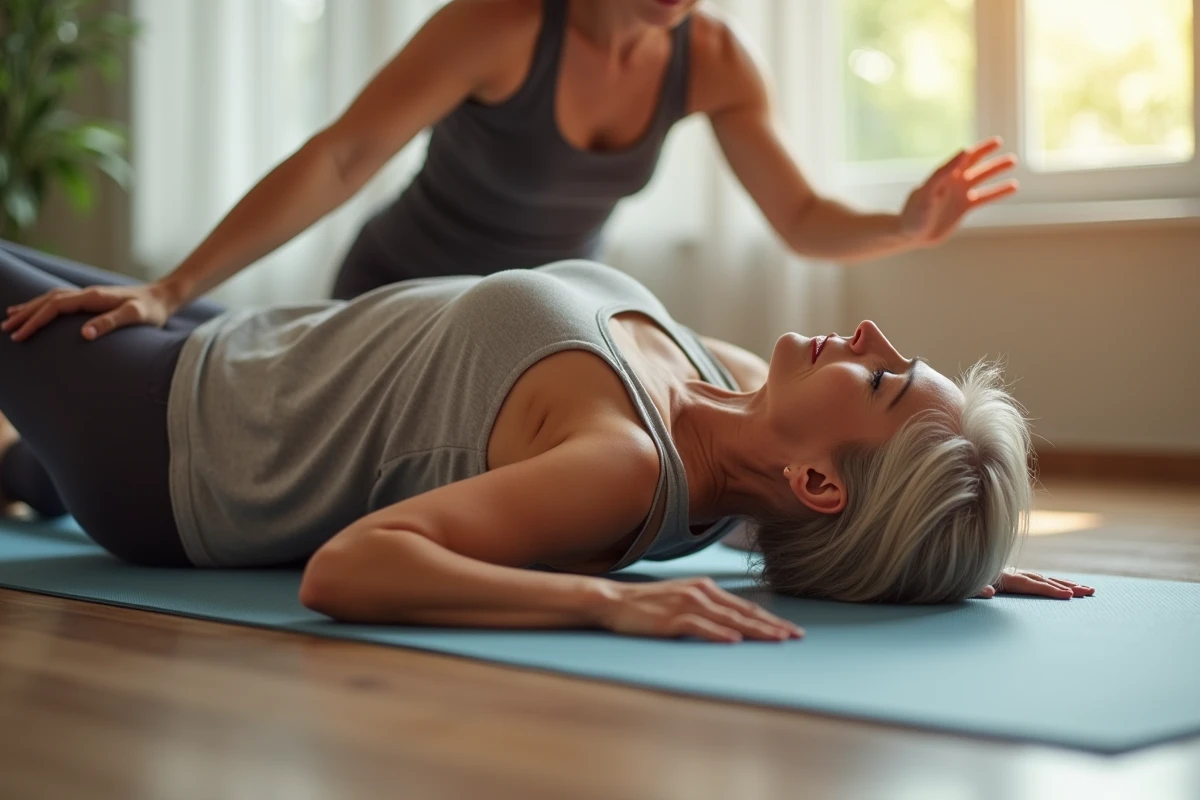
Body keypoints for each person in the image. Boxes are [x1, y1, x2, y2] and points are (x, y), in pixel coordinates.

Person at [0, 246, 1092, 642]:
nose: (871, 334)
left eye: (883, 378)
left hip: (177, 434)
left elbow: (347, 569)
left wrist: (605, 604)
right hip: (239, 343)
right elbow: (853, 523)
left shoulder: (623, 464)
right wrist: (944, 558)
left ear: (814, 477)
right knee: (25, 470)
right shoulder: (732, 388)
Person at [2, 0, 1019, 344]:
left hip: (535, 318)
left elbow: (799, 217)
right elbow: (344, 154)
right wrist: (172, 284)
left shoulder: (712, 59)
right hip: (398, 297)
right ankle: (47, 461)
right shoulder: (501, 24)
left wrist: (905, 226)